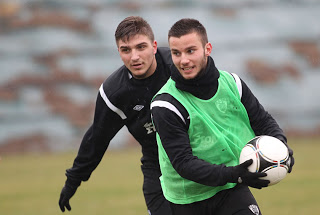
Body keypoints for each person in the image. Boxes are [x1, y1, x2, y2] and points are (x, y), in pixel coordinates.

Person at [150, 18, 294, 215]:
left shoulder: (233, 84)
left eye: (190, 51)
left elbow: (263, 120)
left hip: (230, 189)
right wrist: (236, 174)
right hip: (187, 199)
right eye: (176, 53)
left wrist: (281, 146)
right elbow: (184, 164)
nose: (183, 60)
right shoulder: (165, 104)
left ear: (207, 48)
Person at [58, 16, 173, 215]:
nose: (134, 57)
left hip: (201, 157)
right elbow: (97, 140)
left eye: (141, 47)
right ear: (118, 52)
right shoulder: (114, 93)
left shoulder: (177, 67)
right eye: (126, 50)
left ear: (154, 46)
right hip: (159, 167)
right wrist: (73, 181)